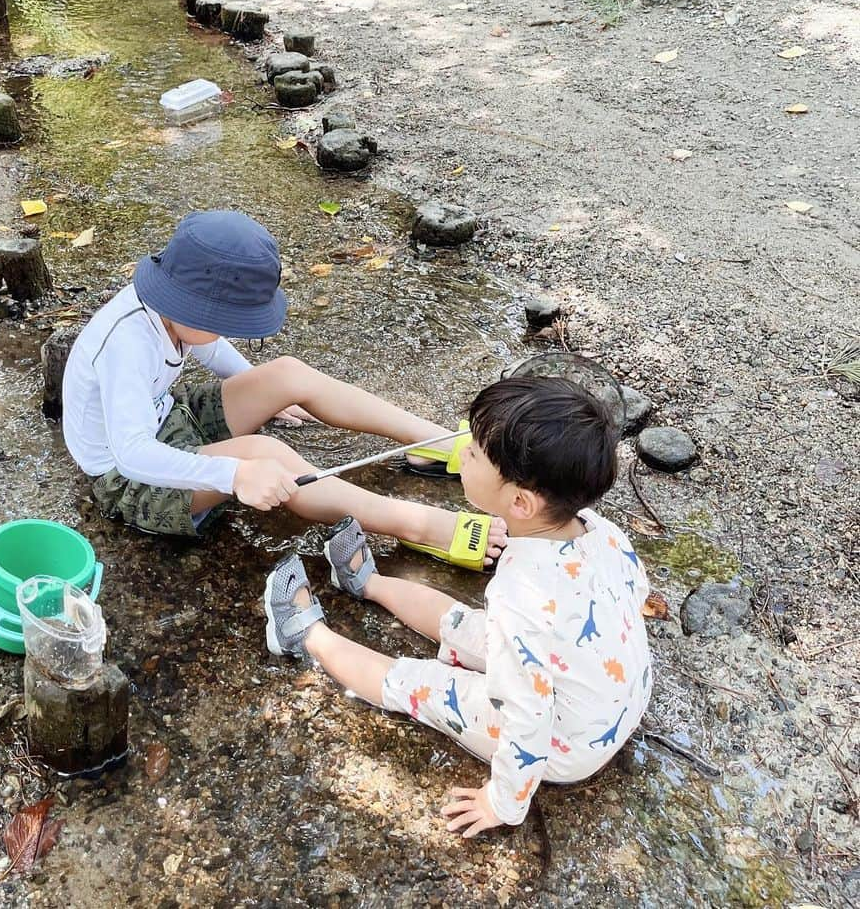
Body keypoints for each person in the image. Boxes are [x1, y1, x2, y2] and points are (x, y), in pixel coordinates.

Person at [263, 374, 653, 837]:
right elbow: (635, 596)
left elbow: (527, 716)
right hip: (606, 699)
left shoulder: (521, 596)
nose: (462, 450)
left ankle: (306, 634)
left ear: (521, 503)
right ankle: (370, 583)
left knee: (423, 683)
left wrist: (502, 802)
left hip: (566, 742)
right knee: (465, 625)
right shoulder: (599, 529)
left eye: (475, 453)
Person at [62, 209, 499, 570]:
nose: (225, 332)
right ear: (187, 304)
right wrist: (236, 474)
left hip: (169, 415)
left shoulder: (176, 306)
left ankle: (435, 440)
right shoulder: (126, 343)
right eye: (222, 320)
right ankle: (419, 525)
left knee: (287, 374)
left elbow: (211, 349)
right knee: (265, 455)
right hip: (129, 477)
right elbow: (132, 454)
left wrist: (265, 391)